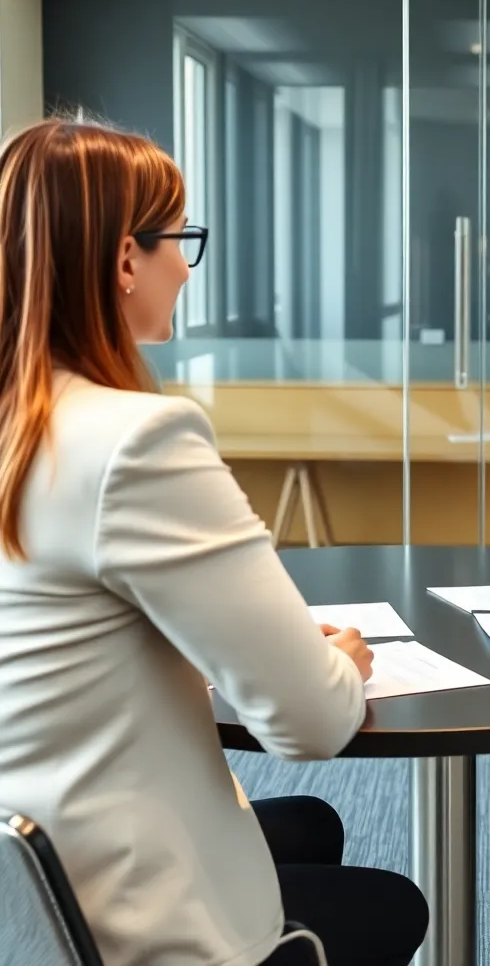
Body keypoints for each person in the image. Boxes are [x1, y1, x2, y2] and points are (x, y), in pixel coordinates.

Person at [0, 118, 427, 966]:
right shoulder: (136, 441)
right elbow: (308, 721)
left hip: (28, 880)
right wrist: (344, 657)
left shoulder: (23, 428)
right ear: (126, 260)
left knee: (308, 826)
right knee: (393, 905)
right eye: (178, 239)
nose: (187, 266)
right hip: (121, 914)